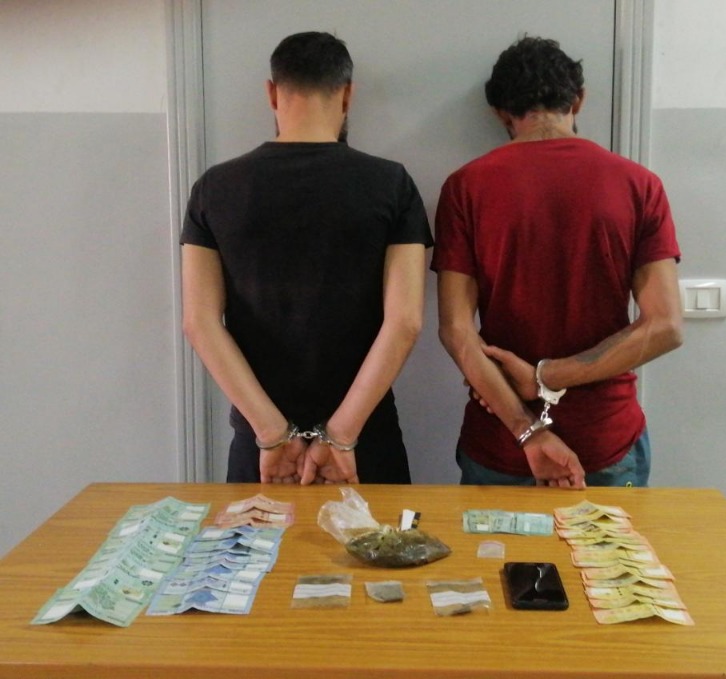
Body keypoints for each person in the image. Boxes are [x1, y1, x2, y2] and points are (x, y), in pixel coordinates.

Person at [181, 31, 433, 485]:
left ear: (271, 93)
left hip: (263, 445)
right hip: (363, 439)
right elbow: (405, 321)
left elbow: (199, 323)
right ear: (348, 94)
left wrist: (272, 434)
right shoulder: (391, 184)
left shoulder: (214, 188)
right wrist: (341, 435)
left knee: (260, 537)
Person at [432, 36, 683, 488]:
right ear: (578, 100)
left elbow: (455, 330)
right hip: (606, 438)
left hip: (503, 442)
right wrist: (548, 376)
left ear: (500, 113)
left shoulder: (465, 188)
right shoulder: (639, 185)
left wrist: (530, 423)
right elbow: (665, 325)